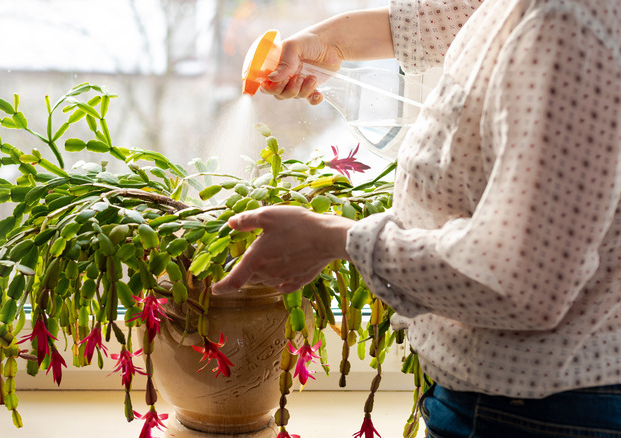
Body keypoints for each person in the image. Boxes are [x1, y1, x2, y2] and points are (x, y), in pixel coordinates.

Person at [213, 0, 621, 436]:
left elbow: (521, 281)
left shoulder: (568, 26)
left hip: (539, 415)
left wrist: (336, 238)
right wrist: (329, 42)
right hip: (505, 402)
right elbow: (461, 17)